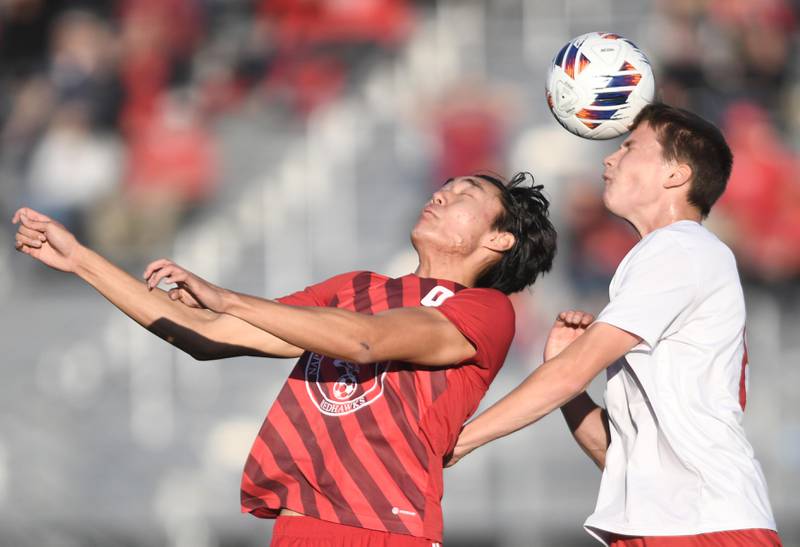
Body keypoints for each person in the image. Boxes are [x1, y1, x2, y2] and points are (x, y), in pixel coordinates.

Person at [12, 171, 557, 546]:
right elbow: (206, 332)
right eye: (444, 185)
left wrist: (227, 297)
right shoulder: (356, 287)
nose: (441, 194)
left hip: (386, 531)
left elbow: (367, 341)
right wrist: (82, 261)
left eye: (464, 195)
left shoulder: (485, 309)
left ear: (501, 240)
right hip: (298, 527)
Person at [448, 104, 782, 546]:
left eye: (629, 147)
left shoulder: (680, 248)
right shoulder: (667, 255)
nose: (609, 158)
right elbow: (618, 455)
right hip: (671, 527)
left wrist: (456, 441)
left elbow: (572, 371)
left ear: (676, 175)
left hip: (707, 527)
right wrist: (573, 394)